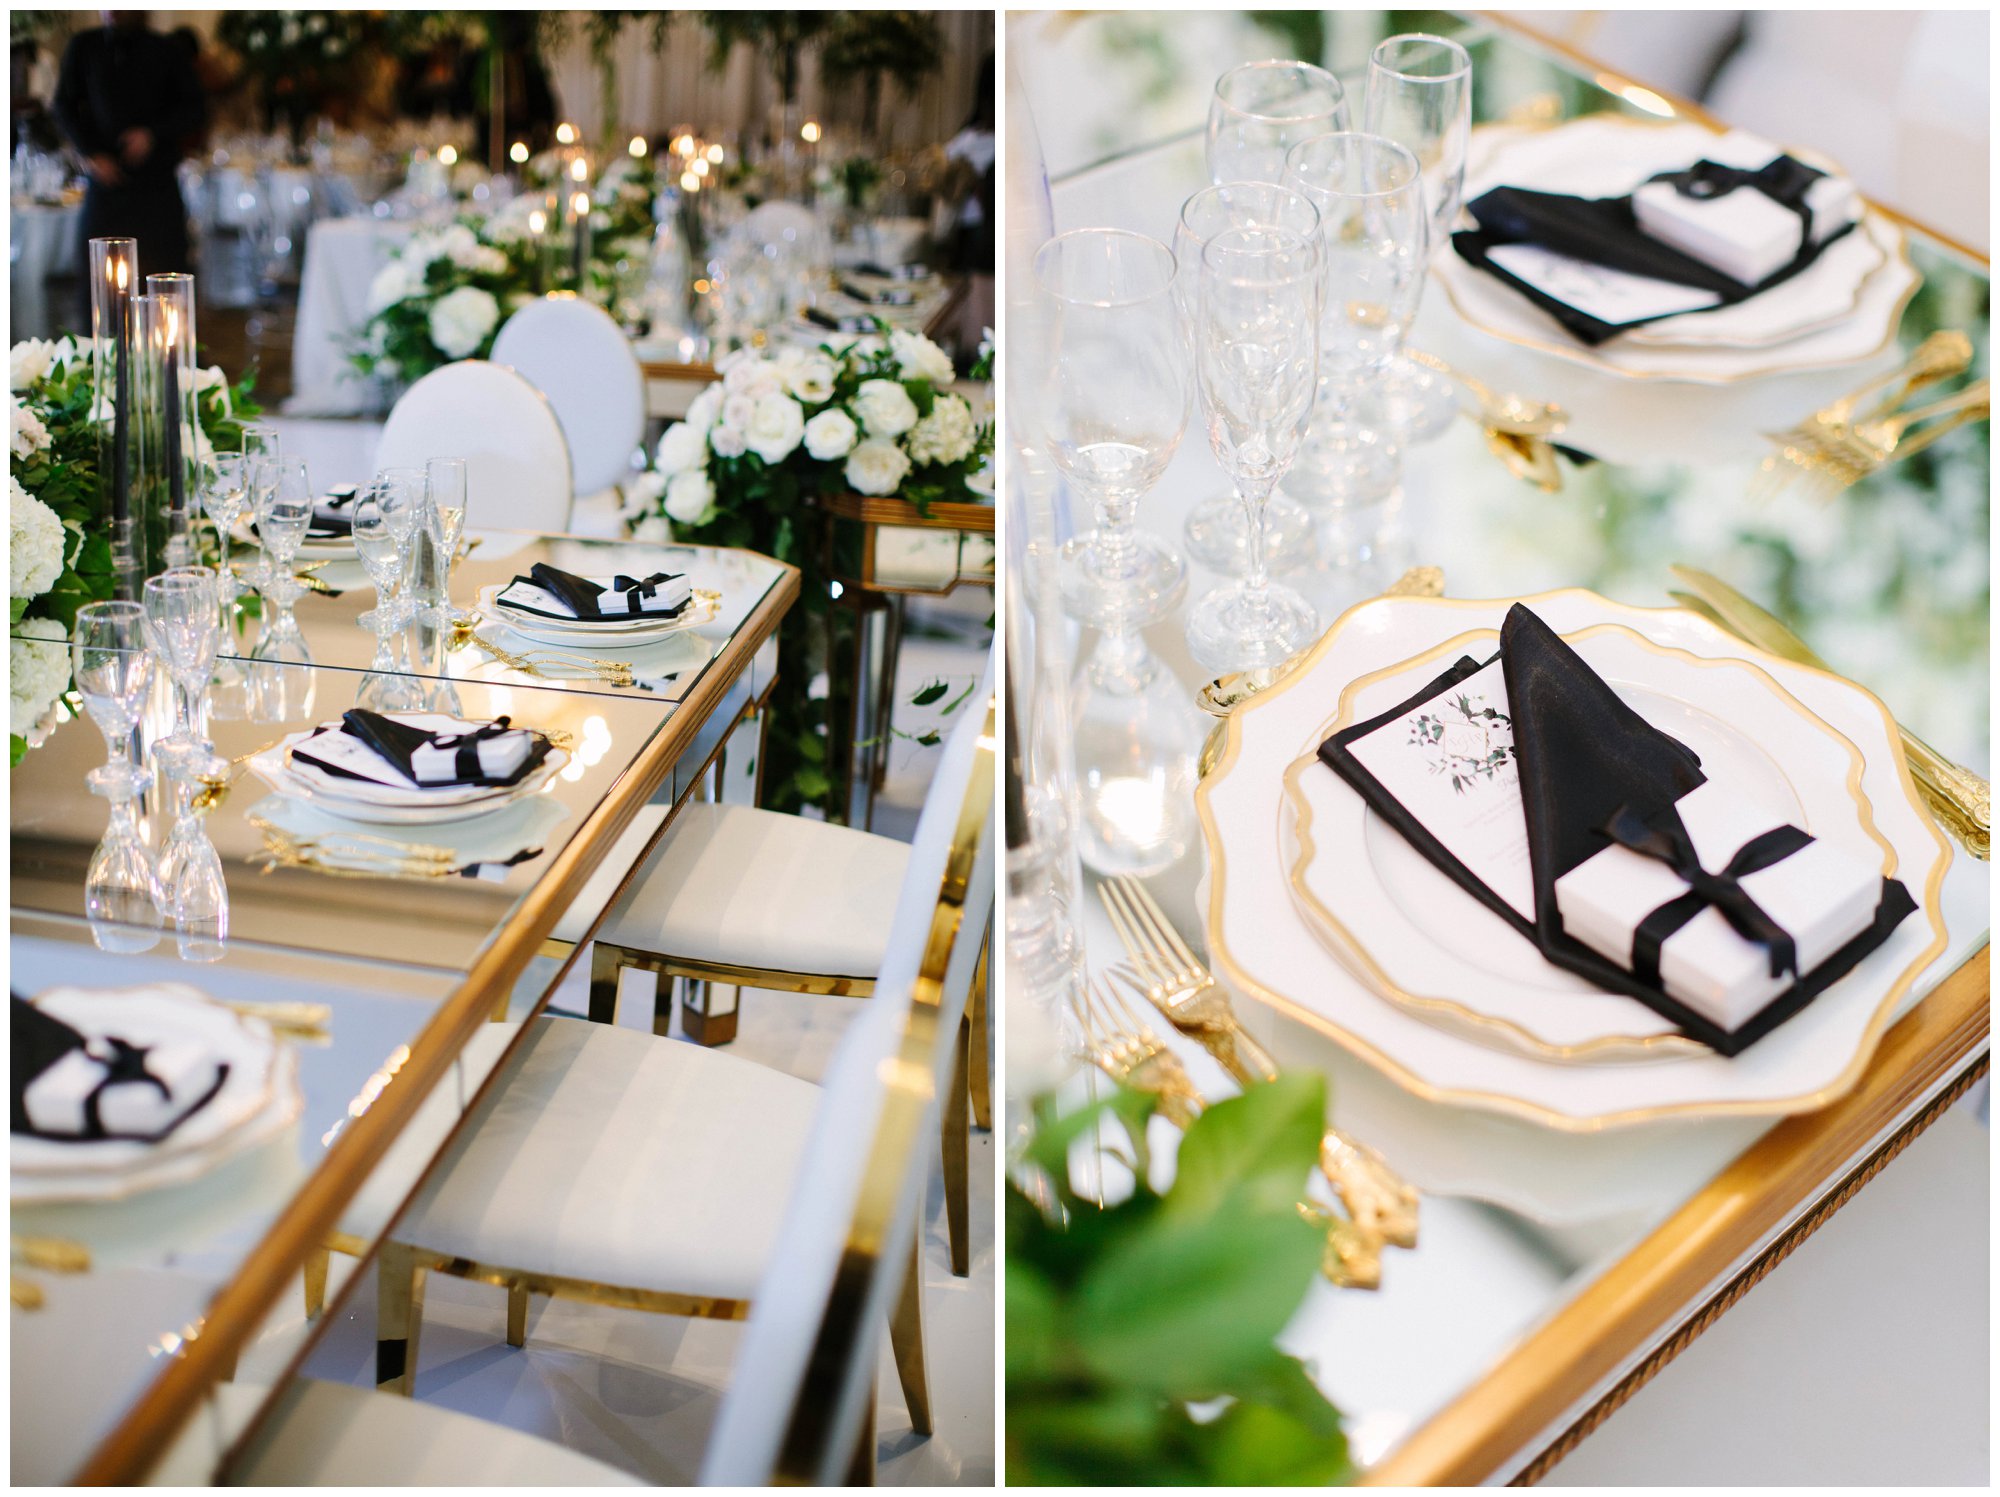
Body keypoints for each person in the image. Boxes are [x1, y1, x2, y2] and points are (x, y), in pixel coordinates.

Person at [53, 10, 205, 282]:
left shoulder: (166, 49)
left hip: (156, 190)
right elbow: (63, 106)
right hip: (105, 187)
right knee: (100, 281)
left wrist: (152, 134)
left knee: (162, 280)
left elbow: (195, 109)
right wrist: (90, 153)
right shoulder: (85, 46)